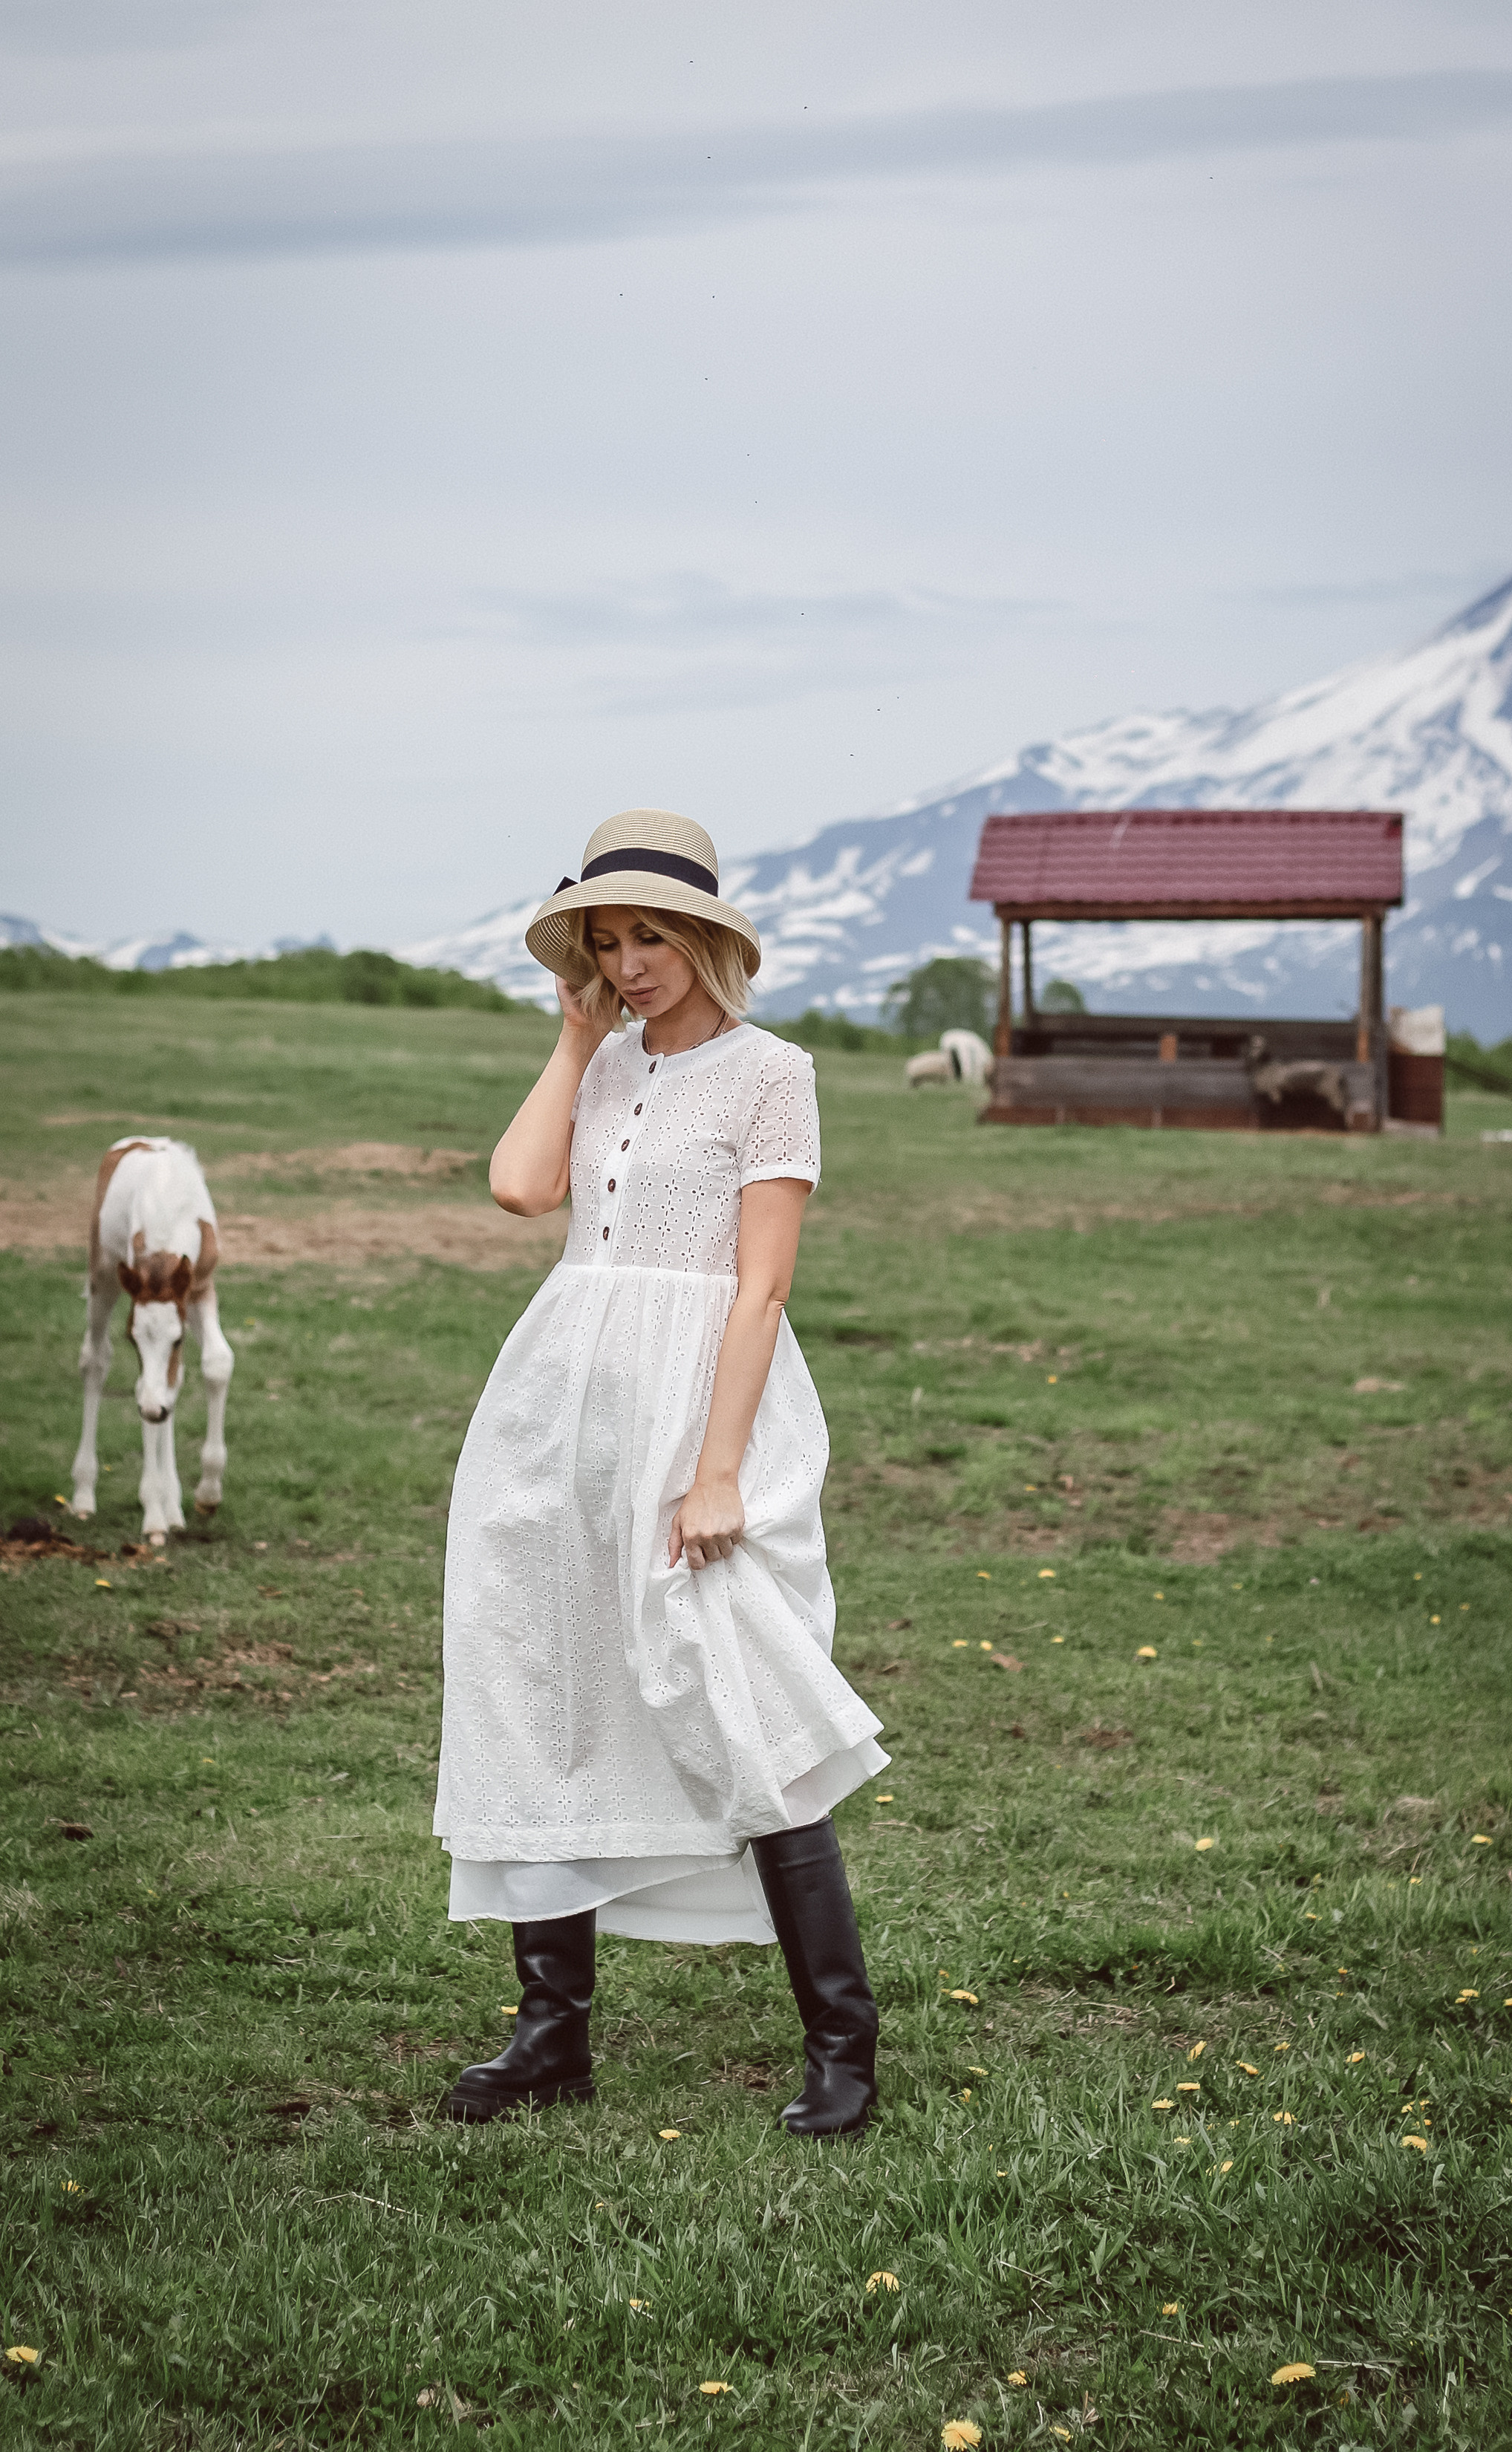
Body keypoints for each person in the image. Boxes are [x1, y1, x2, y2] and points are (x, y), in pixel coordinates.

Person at [432, 809, 887, 2137]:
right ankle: (548, 2036)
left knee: (734, 1692)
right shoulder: (605, 1057)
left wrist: (716, 1468)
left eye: (649, 937)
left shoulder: (770, 1073)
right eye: (605, 941)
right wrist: (575, 1038)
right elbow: (522, 1190)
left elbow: (762, 1288)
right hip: (557, 1402)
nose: (629, 963)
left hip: (698, 1403)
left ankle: (843, 2052)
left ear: (702, 936)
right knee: (543, 1677)